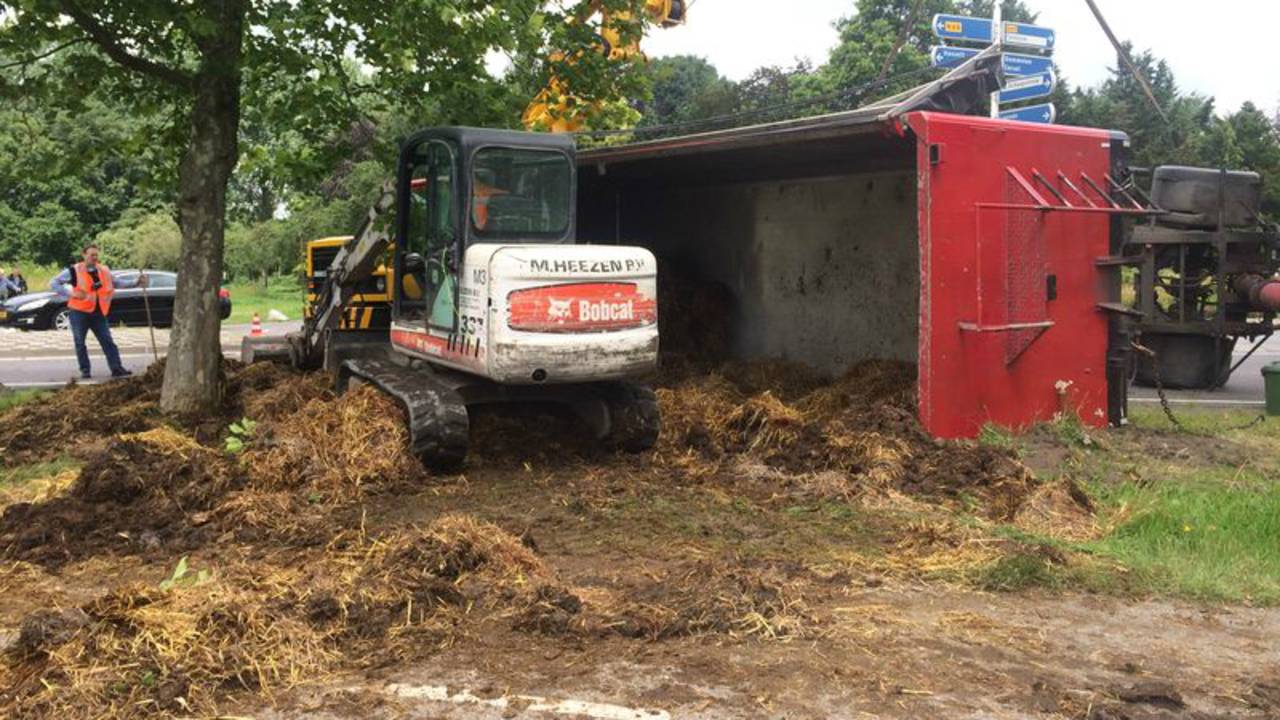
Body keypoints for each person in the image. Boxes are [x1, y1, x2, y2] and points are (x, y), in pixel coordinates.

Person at [50, 244, 149, 380]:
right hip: (79, 312)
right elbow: (54, 283)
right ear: (84, 255)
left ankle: (117, 369)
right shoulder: (74, 270)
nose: (95, 257)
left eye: (96, 255)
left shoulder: (104, 270)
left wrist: (136, 282)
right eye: (92, 255)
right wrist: (71, 293)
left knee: (108, 341)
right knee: (80, 343)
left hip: (99, 313)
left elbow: (117, 283)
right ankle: (85, 371)